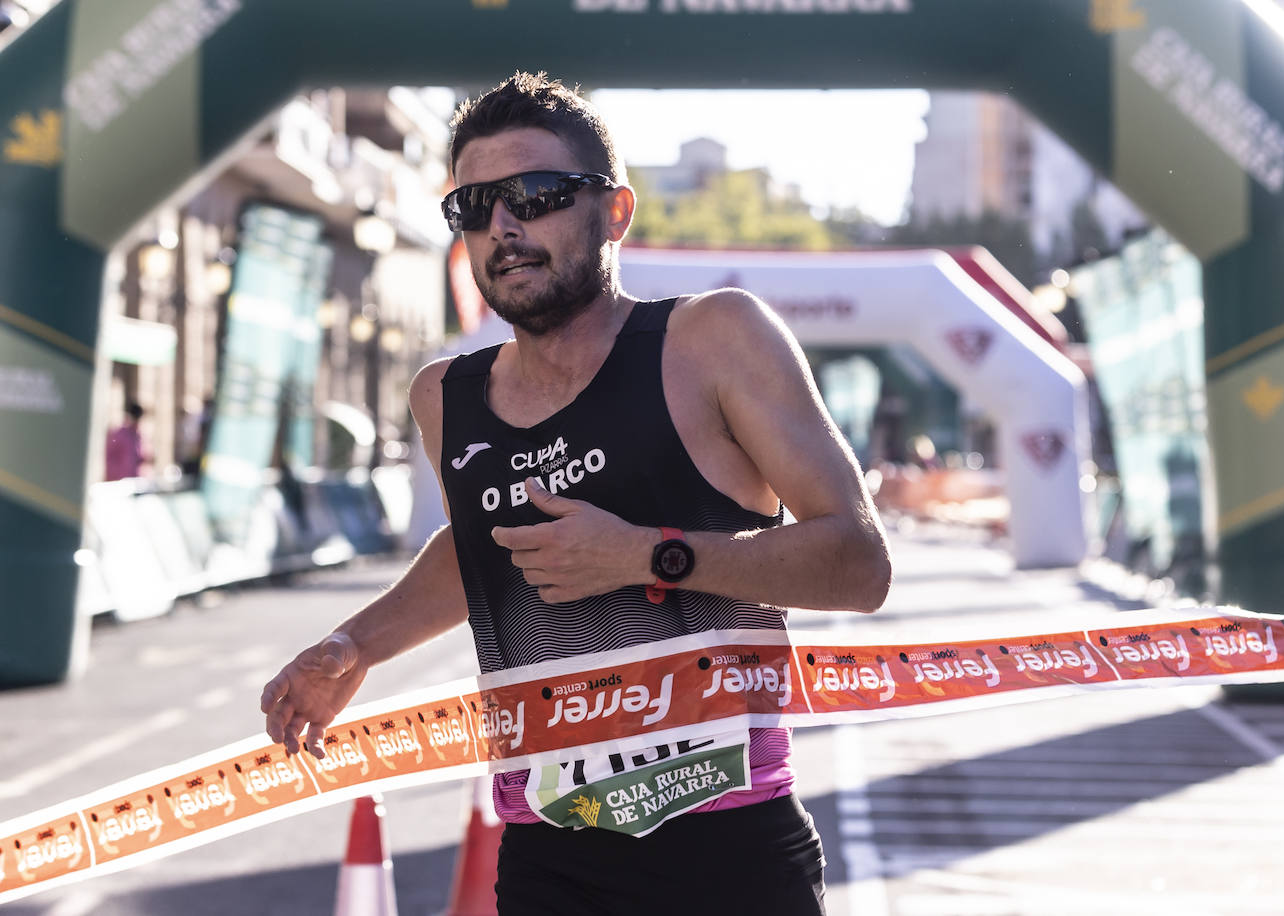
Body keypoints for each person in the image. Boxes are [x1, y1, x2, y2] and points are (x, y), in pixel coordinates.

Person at [260, 72, 891, 915]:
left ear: (616, 212)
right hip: (549, 860)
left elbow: (858, 562)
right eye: (474, 206)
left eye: (537, 194)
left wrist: (648, 556)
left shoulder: (713, 339)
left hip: (727, 853)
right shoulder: (445, 396)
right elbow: (489, 549)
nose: (504, 228)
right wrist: (355, 643)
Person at [104, 401, 147, 480]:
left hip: (133, 479)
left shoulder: (137, 435)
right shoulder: (121, 434)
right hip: (120, 480)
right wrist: (114, 475)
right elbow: (110, 455)